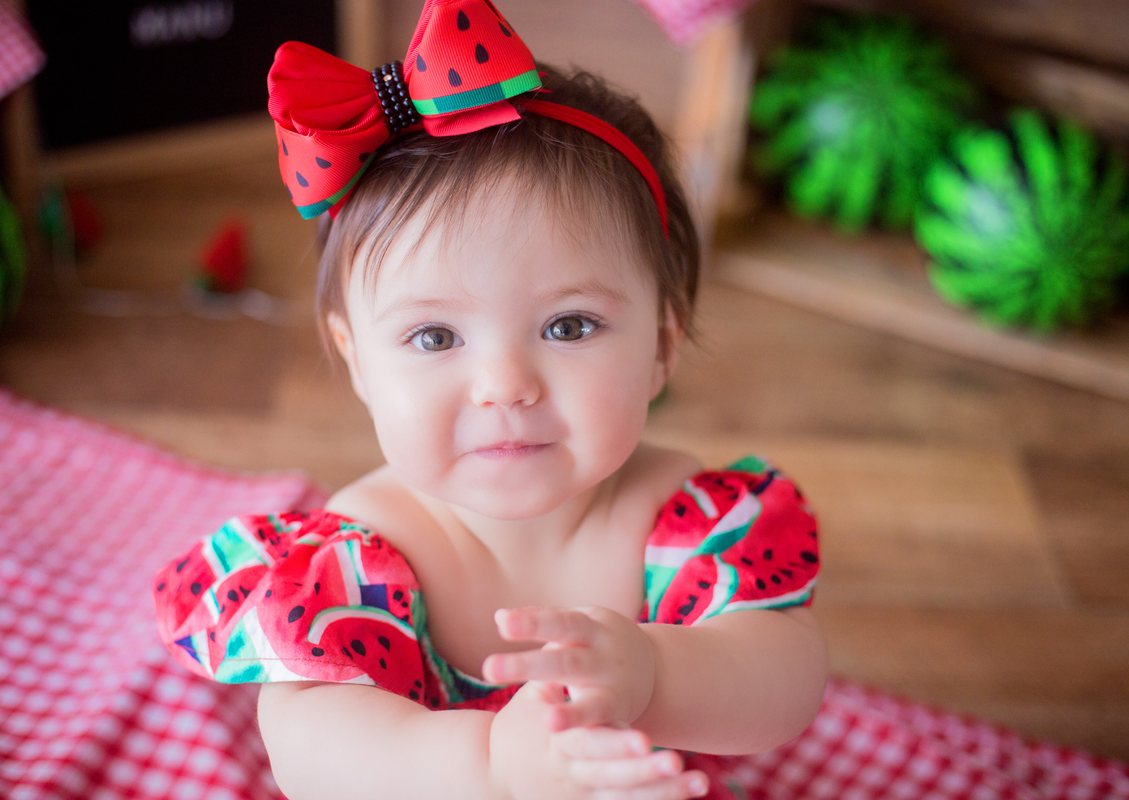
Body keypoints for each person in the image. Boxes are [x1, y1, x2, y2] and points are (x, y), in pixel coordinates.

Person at [154, 2, 826, 798]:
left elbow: (789, 679)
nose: (506, 384)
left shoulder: (684, 522)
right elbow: (310, 750)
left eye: (569, 325)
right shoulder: (359, 557)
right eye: (435, 338)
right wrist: (494, 768)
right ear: (357, 360)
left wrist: (655, 674)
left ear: (661, 347)